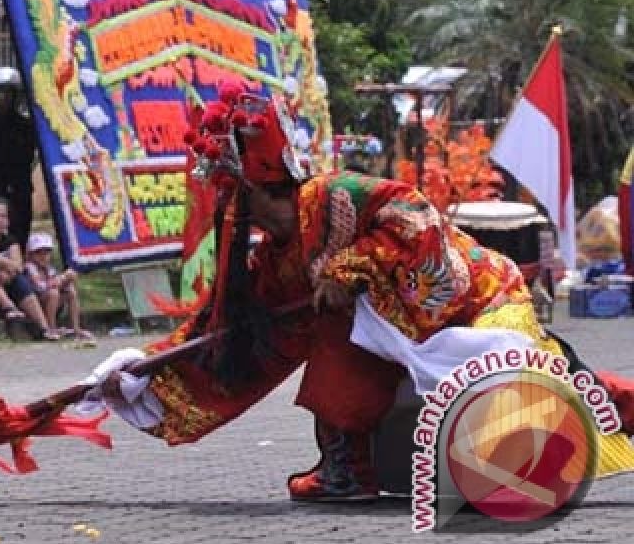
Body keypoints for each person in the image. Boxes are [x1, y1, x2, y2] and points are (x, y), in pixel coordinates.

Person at [88, 75, 634, 501]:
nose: (218, 205)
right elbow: (225, 332)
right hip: (400, 333)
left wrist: (352, 266)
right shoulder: (274, 261)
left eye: (223, 191)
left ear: (247, 187)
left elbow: (415, 216)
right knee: (334, 336)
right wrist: (140, 368)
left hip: (470, 306)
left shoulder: (334, 193)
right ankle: (348, 466)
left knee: (549, 386)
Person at [0, 195, 59, 340]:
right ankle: (9, 307)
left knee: (19, 280)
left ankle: (43, 328)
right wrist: (3, 263)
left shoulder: (10, 241)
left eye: (3, 216)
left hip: (7, 288)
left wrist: (6, 271)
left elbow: (17, 266)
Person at [0, 66, 38, 250]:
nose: (4, 98)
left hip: (19, 188)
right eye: (0, 93)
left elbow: (31, 154)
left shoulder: (26, 126)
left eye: (8, 93)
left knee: (20, 230)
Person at [24, 232, 93, 344]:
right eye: (38, 253)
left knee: (70, 290)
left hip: (50, 301)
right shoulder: (29, 267)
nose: (43, 256)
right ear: (30, 255)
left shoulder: (49, 268)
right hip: (35, 304)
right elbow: (39, 286)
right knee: (53, 293)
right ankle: (51, 328)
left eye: (46, 252)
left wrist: (66, 280)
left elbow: (56, 283)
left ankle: (76, 327)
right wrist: (61, 280)